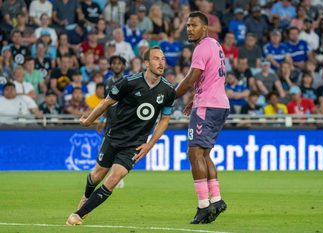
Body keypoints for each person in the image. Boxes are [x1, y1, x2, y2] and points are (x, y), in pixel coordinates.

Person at [66, 46, 175, 226]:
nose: (161, 62)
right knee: (96, 175)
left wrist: (150, 144)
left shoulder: (168, 91)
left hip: (135, 144)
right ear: (146, 63)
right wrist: (89, 120)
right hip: (114, 136)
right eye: (156, 59)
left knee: (114, 178)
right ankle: (86, 197)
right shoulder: (129, 82)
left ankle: (78, 215)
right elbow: (106, 102)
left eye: (163, 59)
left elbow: (164, 120)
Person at [175, 11, 229, 224]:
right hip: (219, 104)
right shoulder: (215, 44)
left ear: (204, 28)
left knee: (194, 153)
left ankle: (203, 206)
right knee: (204, 155)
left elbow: (190, 80)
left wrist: (168, 97)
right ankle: (216, 200)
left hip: (207, 106)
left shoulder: (201, 48)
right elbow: (211, 77)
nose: (189, 29)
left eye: (194, 25)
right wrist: (195, 98)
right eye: (187, 25)